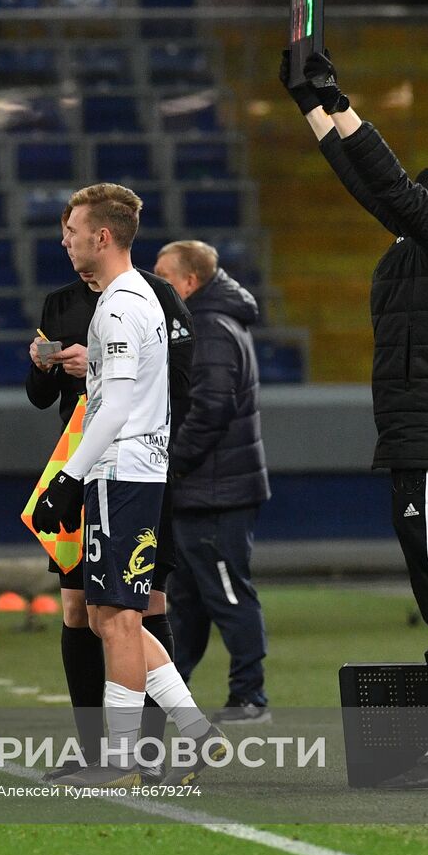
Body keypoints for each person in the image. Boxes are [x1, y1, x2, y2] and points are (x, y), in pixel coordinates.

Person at [284, 49, 428, 790]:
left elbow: (392, 189)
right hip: (420, 429)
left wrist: (342, 100)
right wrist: (313, 108)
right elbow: (374, 190)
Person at [32, 183, 228, 788]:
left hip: (121, 473)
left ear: (103, 236)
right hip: (128, 472)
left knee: (115, 619)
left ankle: (121, 760)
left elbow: (113, 407)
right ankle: (196, 735)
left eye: (72, 231)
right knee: (105, 617)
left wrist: (67, 479)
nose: (64, 240)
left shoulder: (119, 306)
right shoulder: (135, 297)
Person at [155, 240, 272, 726]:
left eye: (162, 276)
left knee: (226, 594)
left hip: (215, 489)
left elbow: (210, 409)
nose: (153, 284)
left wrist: (172, 462)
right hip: (204, 487)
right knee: (188, 602)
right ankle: (171, 693)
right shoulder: (207, 323)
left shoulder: (210, 328)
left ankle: (250, 697)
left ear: (189, 281)